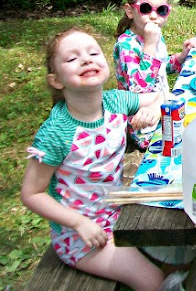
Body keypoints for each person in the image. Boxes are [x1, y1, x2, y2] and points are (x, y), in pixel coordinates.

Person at [20, 27, 166, 290]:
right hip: (82, 236)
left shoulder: (116, 102)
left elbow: (158, 96)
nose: (86, 59)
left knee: (179, 252)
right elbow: (32, 193)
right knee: (152, 280)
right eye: (72, 58)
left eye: (93, 52)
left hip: (119, 210)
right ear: (56, 80)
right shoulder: (56, 133)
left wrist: (154, 110)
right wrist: (79, 223)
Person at [113, 0, 196, 150]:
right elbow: (139, 89)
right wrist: (150, 45)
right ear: (130, 11)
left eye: (161, 10)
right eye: (145, 9)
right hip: (144, 124)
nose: (153, 16)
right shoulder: (126, 45)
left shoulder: (155, 35)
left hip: (164, 108)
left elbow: (160, 68)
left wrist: (180, 57)